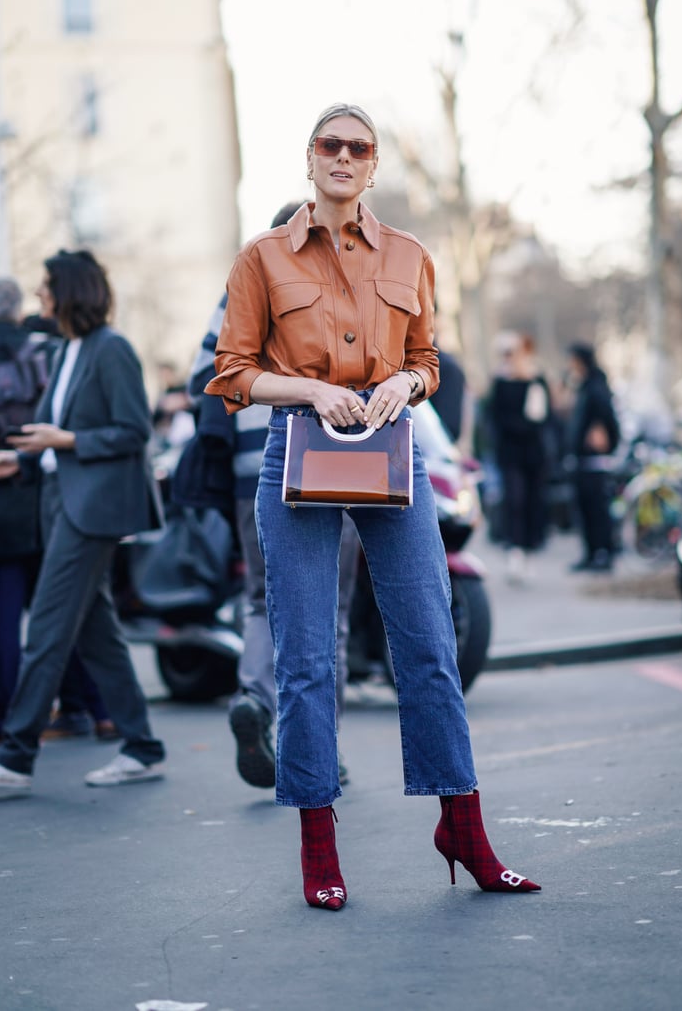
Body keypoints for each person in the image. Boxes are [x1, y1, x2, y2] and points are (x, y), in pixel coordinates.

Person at [205, 102, 540, 910]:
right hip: (299, 451)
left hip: (394, 446)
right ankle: (318, 844)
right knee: (307, 657)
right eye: (332, 144)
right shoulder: (261, 259)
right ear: (311, 158)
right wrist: (316, 389)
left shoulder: (410, 255)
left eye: (360, 147)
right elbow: (232, 373)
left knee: (429, 642)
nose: (345, 156)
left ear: (375, 165)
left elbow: (428, 359)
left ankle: (463, 826)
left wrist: (403, 382)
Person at [186, 200, 358, 789]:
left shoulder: (242, 282)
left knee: (262, 599)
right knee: (330, 611)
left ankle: (256, 699)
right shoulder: (341, 284)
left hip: (249, 471)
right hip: (335, 464)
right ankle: (321, 749)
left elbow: (200, 376)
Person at [0, 249, 165, 798]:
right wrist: (22, 457)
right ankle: (141, 746)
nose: (39, 296)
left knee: (46, 629)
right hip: (59, 500)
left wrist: (62, 441)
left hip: (88, 509)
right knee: (98, 635)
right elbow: (58, 434)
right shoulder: (70, 350)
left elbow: (133, 431)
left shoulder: (111, 349)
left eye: (47, 286)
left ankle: (14, 757)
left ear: (70, 290)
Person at [0, 277, 49, 736]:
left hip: (9, 503)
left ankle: (10, 718)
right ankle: (84, 708)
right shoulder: (40, 351)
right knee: (58, 612)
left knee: (6, 615)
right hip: (43, 494)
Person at [487, 332, 553, 582]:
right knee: (514, 500)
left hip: (533, 452)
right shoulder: (500, 381)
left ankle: (529, 549)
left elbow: (544, 417)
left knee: (532, 501)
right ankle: (515, 551)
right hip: (510, 452)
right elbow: (496, 417)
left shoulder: (536, 379)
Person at [564, 341, 621, 572]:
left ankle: (602, 554)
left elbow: (604, 418)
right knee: (586, 509)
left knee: (597, 509)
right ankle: (591, 554)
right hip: (583, 459)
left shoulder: (595, 387)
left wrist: (599, 430)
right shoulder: (585, 385)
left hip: (593, 461)